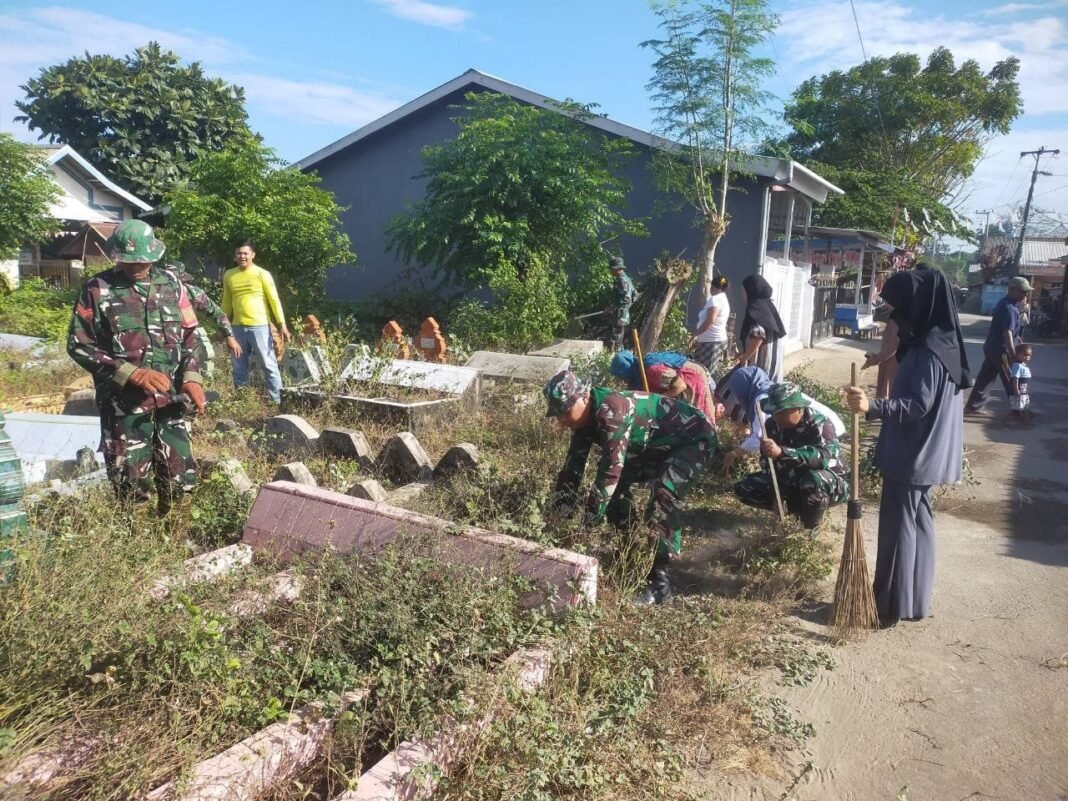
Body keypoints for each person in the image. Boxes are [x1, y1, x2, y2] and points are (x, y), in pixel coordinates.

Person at [845, 267, 970, 628]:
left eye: (899, 307)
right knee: (918, 522)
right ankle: (912, 601)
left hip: (914, 453)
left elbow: (918, 404)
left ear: (917, 305)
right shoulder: (936, 341)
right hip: (923, 453)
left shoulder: (930, 352)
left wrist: (872, 406)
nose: (895, 315)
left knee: (900, 527)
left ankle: (890, 605)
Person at [545, 370, 718, 606]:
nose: (562, 421)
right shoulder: (584, 419)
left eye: (565, 412)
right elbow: (572, 469)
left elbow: (610, 472)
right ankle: (634, 544)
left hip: (693, 438)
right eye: (558, 415)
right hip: (655, 445)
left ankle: (659, 582)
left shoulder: (612, 411)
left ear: (584, 397)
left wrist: (585, 525)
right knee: (613, 493)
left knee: (664, 492)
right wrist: (558, 518)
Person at [67, 220, 206, 513]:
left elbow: (192, 334)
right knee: (131, 487)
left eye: (143, 261)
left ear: (154, 254)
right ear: (116, 257)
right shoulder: (96, 290)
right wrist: (132, 373)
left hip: (171, 404)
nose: (136, 267)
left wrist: (192, 377)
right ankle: (140, 553)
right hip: (124, 409)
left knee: (182, 481)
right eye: (128, 262)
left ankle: (174, 549)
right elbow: (79, 345)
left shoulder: (172, 285)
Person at [733, 382, 849, 529]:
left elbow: (823, 458)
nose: (777, 417)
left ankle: (808, 529)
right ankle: (795, 509)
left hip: (828, 481)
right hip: (791, 478)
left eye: (781, 412)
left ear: (799, 409)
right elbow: (769, 464)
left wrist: (783, 452)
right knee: (746, 487)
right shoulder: (772, 425)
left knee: (813, 480)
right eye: (774, 412)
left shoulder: (820, 424)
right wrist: (778, 495)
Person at [714, 365, 845, 475]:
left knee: (806, 473)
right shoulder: (772, 391)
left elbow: (759, 437)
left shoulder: (763, 400)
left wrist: (733, 454)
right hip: (831, 428)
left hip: (824, 434)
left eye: (738, 392)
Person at [222, 241, 290, 403]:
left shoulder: (262, 274)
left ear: (253, 255)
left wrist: (282, 324)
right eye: (239, 253)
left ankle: (277, 401)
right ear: (235, 256)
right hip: (237, 327)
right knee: (238, 367)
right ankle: (242, 401)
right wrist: (222, 325)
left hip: (259, 326)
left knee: (268, 365)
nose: (242, 256)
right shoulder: (229, 275)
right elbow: (226, 301)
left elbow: (274, 300)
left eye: (245, 253)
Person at [964, 276, 1031, 415]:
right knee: (1012, 379)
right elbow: (1007, 333)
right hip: (1002, 351)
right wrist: (1013, 355)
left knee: (985, 378)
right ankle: (1020, 411)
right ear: (1013, 290)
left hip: (992, 348)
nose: (1026, 294)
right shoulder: (1009, 308)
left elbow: (1014, 332)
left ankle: (972, 407)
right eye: (1023, 291)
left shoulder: (1006, 303)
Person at [609, 349, 716, 421]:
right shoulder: (637, 378)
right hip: (678, 383)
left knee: (698, 418)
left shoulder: (652, 370)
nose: (622, 381)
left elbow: (680, 386)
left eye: (621, 377)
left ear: (626, 371)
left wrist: (654, 402)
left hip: (692, 377)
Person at [173, 267, 241, 375]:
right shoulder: (150, 294)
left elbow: (218, 313)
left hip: (187, 344)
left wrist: (229, 335)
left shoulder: (192, 292)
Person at [735, 274, 787, 382]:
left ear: (750, 291)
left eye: (743, 290)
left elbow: (758, 337)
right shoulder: (767, 307)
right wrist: (745, 352)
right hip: (772, 369)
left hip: (762, 371)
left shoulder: (755, 310)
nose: (741, 294)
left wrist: (744, 358)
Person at [690, 276, 731, 378]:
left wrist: (695, 335)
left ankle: (708, 393)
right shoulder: (723, 298)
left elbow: (710, 321)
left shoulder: (715, 299)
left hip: (711, 342)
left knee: (705, 374)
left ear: (712, 286)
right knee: (701, 371)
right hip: (711, 340)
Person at [606, 256, 638, 350]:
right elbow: (635, 295)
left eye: (611, 269)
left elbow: (626, 299)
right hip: (623, 314)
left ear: (616, 269)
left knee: (617, 340)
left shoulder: (621, 281)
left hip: (619, 314)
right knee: (619, 338)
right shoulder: (627, 279)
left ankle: (616, 358)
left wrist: (611, 307)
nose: (610, 271)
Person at [1009, 343, 1033, 419]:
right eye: (1025, 355)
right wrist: (1016, 390)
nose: (1027, 357)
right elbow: (1015, 378)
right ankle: (1026, 420)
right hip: (1020, 391)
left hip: (1024, 391)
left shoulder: (1024, 365)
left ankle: (1016, 418)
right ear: (1017, 355)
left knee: (1021, 405)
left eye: (1029, 355)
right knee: (1023, 406)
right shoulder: (1017, 365)